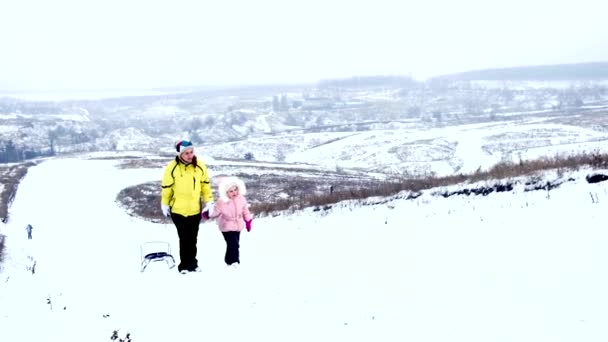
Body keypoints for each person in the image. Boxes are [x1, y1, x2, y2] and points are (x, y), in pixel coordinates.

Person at [161, 140, 214, 274]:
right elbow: (167, 188)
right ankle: (184, 266)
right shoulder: (172, 167)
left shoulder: (200, 166)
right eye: (186, 153)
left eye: (191, 152)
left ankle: (193, 264)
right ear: (180, 154)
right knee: (184, 238)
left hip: (195, 210)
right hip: (177, 210)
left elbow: (205, 186)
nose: (190, 155)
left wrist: (209, 202)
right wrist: (164, 203)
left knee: (193, 238)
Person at [205, 176, 253, 268]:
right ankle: (235, 262)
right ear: (226, 192)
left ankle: (229, 261)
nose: (234, 192)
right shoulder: (221, 202)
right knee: (233, 243)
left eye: (235, 190)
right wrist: (207, 214)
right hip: (226, 225)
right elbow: (215, 212)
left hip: (238, 225)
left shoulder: (241, 199)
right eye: (231, 191)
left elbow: (245, 210)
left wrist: (248, 221)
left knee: (235, 244)